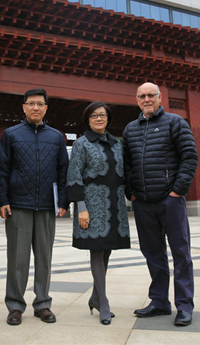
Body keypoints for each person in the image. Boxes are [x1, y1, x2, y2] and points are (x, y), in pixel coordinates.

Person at [122, 82, 198, 327]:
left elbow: (189, 156)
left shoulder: (175, 122)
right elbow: (126, 164)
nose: (146, 99)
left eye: (151, 95)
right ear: (137, 100)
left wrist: (177, 191)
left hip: (170, 201)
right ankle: (159, 301)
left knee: (180, 253)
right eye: (142, 96)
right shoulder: (130, 129)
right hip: (143, 202)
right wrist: (131, 192)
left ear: (159, 97)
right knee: (152, 253)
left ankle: (184, 306)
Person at [0, 88, 69, 326]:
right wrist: (3, 200)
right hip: (18, 205)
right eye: (31, 103)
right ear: (24, 107)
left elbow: (63, 171)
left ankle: (43, 304)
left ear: (46, 108)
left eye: (40, 104)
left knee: (44, 258)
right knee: (17, 258)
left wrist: (62, 201)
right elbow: (2, 169)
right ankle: (15, 306)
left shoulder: (56, 137)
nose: (35, 107)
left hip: (47, 206)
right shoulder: (11, 134)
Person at [61, 101, 130, 326]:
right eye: (94, 116)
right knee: (97, 250)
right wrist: (81, 207)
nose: (98, 119)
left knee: (107, 249)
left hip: (114, 204)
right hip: (92, 205)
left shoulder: (117, 144)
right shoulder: (81, 144)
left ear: (108, 118)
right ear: (87, 120)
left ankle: (95, 297)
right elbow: (74, 176)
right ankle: (104, 302)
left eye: (102, 115)